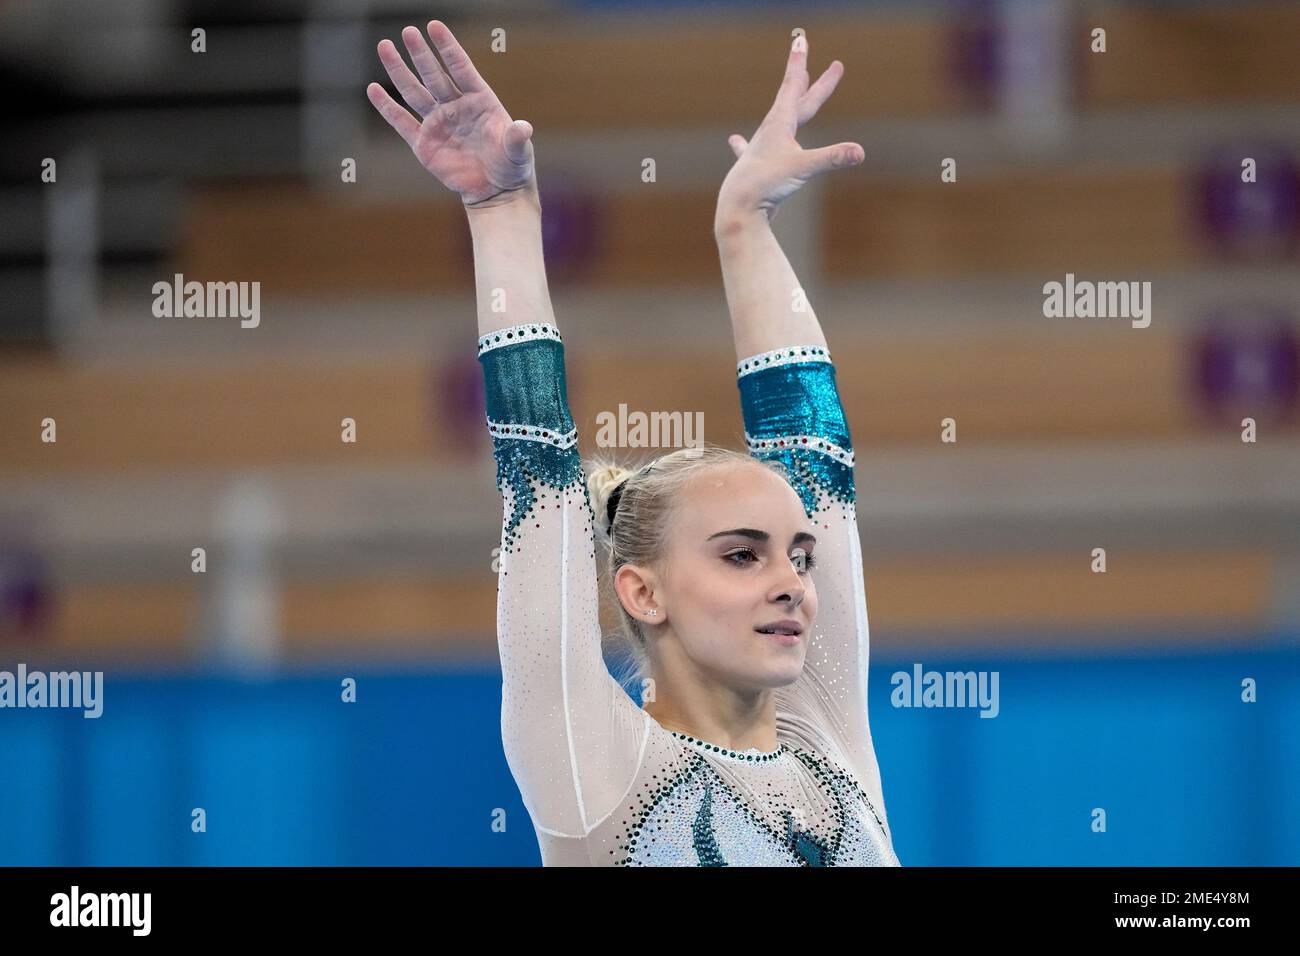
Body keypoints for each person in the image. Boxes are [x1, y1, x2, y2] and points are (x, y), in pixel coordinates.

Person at [368, 21, 898, 866]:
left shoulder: (830, 751)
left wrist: (747, 227)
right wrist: (502, 211)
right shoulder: (598, 767)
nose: (793, 584)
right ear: (641, 593)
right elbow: (536, 465)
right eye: (741, 555)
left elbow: (813, 451)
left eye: (799, 557)